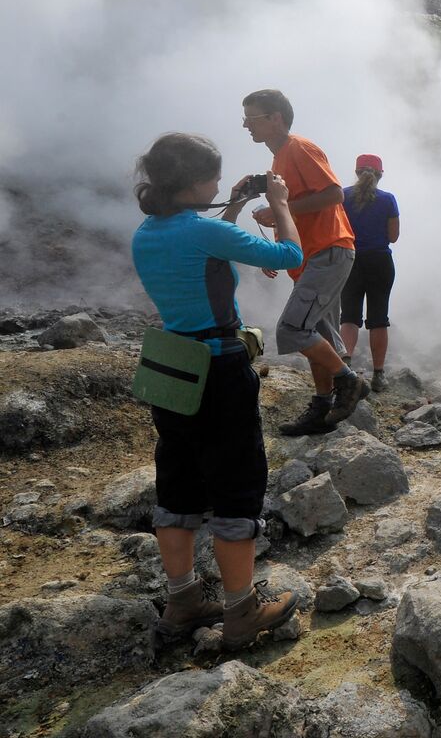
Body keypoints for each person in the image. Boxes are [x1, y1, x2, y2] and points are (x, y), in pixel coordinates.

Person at [131, 133, 303, 649]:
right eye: (213, 176)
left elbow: (205, 246)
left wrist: (232, 205)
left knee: (178, 481)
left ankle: (183, 600)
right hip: (221, 369)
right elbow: (289, 252)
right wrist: (280, 204)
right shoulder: (201, 233)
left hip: (170, 365)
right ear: (194, 182)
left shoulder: (148, 231)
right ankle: (241, 611)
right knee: (236, 484)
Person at [241, 89, 368, 436]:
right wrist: (279, 249)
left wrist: (281, 209)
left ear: (275, 118)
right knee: (316, 333)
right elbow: (295, 213)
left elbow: (333, 194)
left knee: (292, 329)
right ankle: (323, 407)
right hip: (314, 256)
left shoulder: (299, 148)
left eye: (251, 119)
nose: (245, 126)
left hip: (329, 250)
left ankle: (349, 382)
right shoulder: (278, 160)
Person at [339, 154, 400, 392]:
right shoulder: (388, 200)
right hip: (380, 262)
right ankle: (378, 375)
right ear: (380, 174)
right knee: (378, 319)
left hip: (350, 260)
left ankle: (344, 369)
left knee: (349, 316)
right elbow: (393, 237)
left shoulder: (341, 196)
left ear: (356, 172)